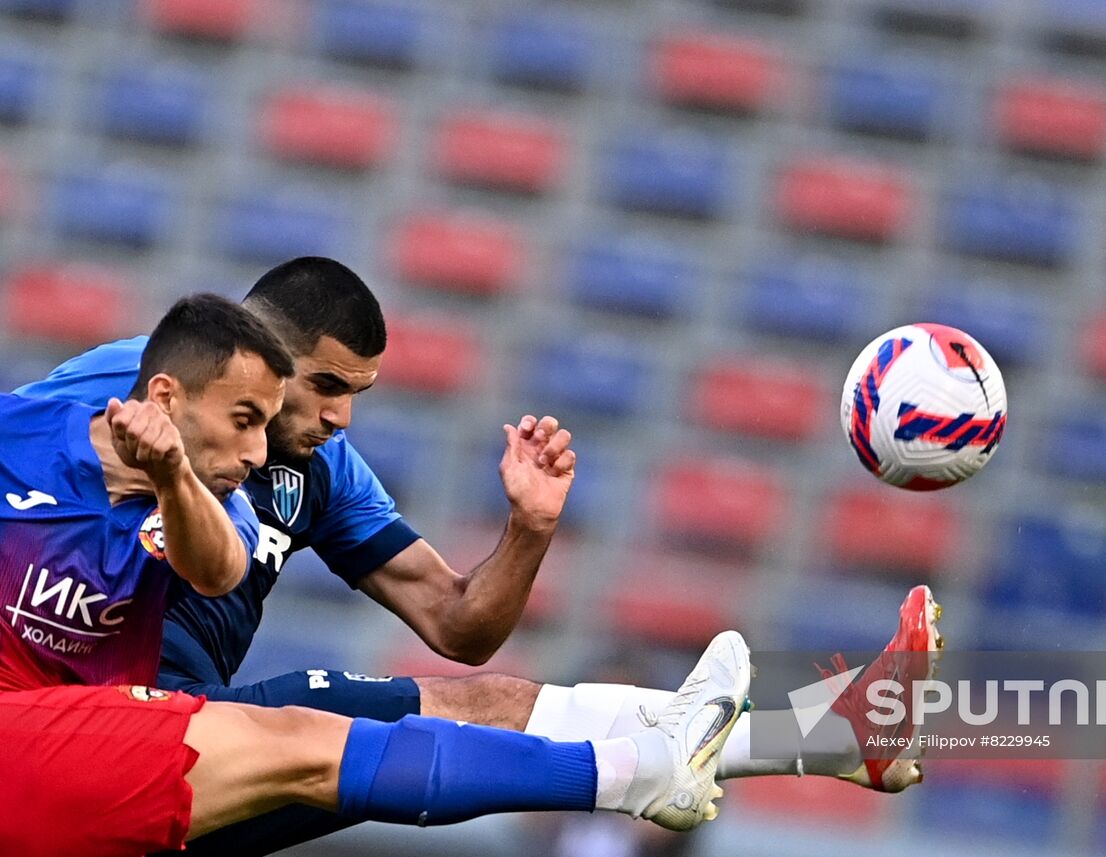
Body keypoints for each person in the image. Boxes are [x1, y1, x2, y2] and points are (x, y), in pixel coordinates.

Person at [19, 258, 940, 856]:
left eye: (361, 394)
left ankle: (833, 736)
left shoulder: (327, 472)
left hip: (171, 734)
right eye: (328, 386)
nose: (342, 416)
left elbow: (460, 626)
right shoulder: (129, 383)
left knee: (481, 700)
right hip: (71, 730)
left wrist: (529, 529)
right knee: (328, 737)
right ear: (253, 362)